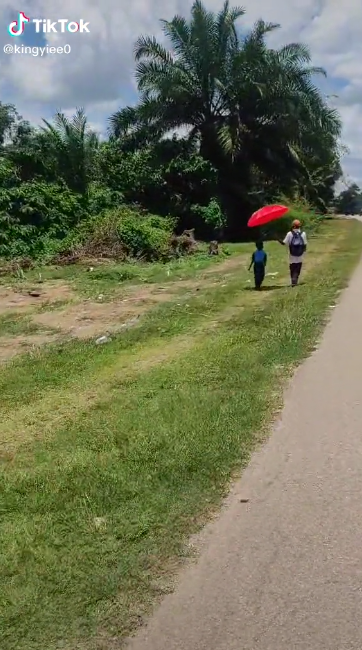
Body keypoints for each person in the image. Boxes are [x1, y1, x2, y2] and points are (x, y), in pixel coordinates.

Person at [279, 219, 307, 287]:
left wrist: (278, 238)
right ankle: (295, 279)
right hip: (300, 253)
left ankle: (293, 280)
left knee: (292, 267)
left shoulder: (289, 234)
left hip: (292, 254)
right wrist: (303, 252)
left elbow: (284, 243)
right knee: (298, 267)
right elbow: (305, 244)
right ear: (300, 226)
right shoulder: (303, 233)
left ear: (293, 226)